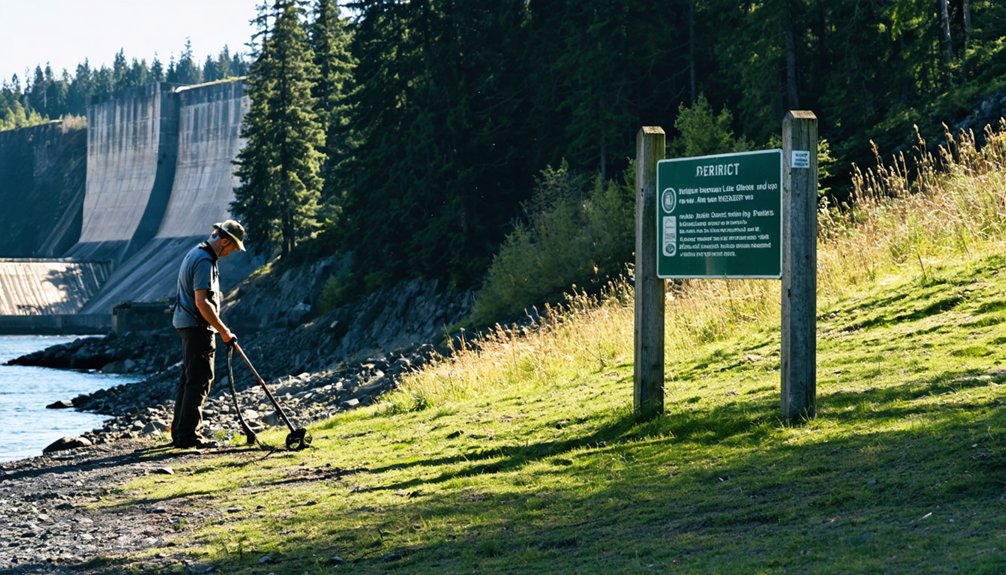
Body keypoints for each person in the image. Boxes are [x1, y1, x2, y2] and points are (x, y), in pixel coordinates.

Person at [170, 220, 245, 448]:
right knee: (201, 379)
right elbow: (202, 302)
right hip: (197, 326)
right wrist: (224, 331)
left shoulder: (197, 252)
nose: (231, 252)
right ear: (224, 241)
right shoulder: (204, 261)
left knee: (189, 377)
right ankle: (189, 436)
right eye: (233, 247)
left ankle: (181, 432)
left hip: (186, 323)